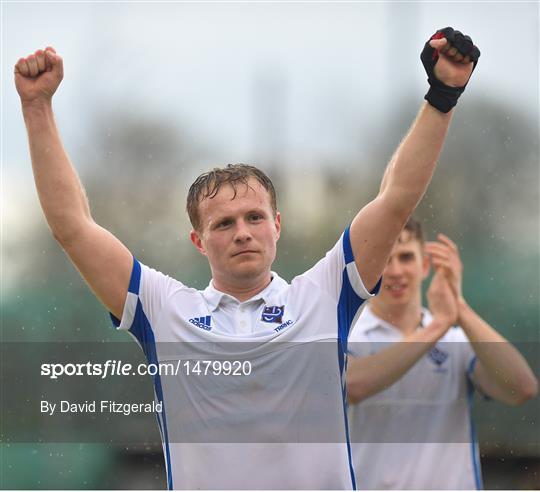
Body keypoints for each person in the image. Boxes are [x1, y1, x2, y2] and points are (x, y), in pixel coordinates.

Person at [16, 28, 480, 489]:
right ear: (198, 242)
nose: (242, 233)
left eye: (254, 217)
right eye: (223, 224)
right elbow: (73, 228)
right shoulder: (164, 309)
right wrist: (37, 108)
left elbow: (395, 200)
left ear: (277, 225)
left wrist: (443, 95)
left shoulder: (324, 293)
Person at [346, 218, 538, 490]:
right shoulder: (347, 336)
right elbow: (354, 385)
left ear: (425, 266)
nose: (396, 271)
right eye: (385, 259)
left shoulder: (455, 338)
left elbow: (522, 388)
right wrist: (437, 326)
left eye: (406, 257)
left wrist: (460, 308)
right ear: (369, 268)